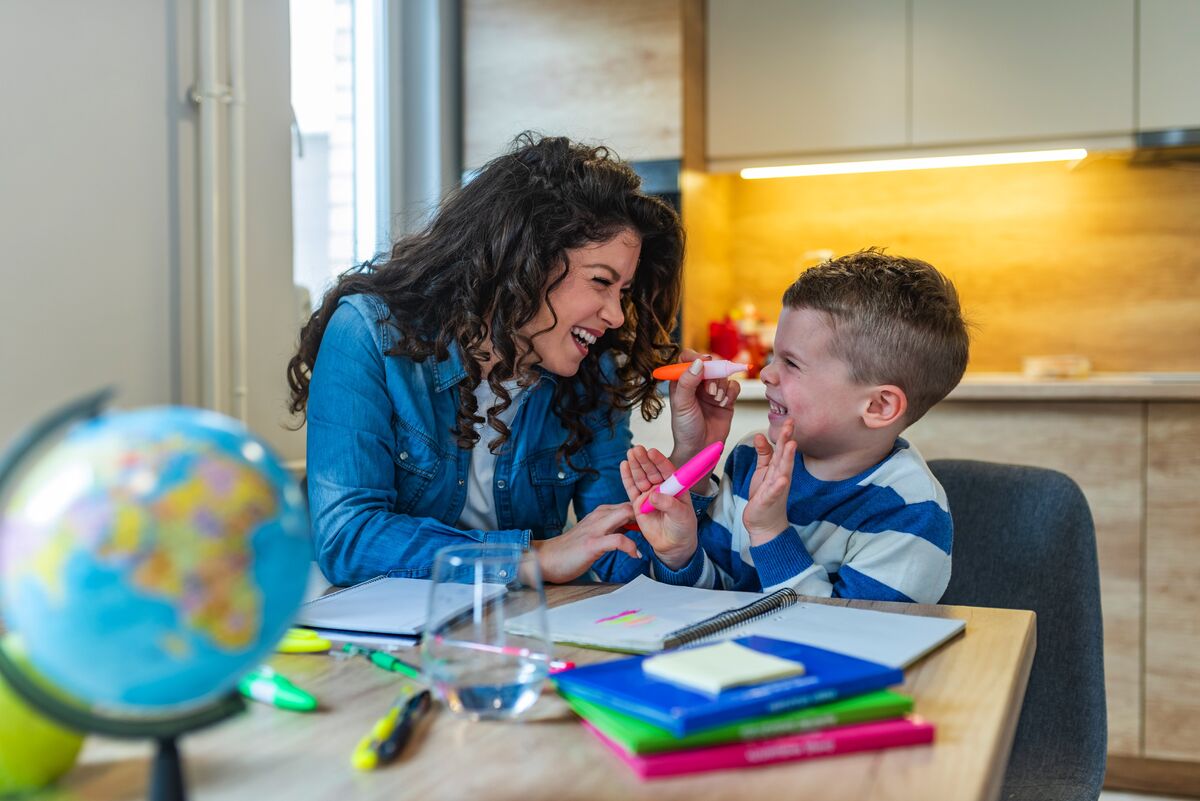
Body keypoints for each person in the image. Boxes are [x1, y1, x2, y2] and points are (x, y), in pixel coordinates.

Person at [287, 134, 739, 588]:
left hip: (523, 632)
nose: (616, 314)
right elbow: (348, 538)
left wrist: (688, 460)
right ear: (524, 262)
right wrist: (533, 558)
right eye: (600, 281)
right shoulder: (367, 334)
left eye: (622, 292)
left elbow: (617, 554)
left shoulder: (591, 370)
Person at [621, 248, 969, 603]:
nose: (768, 373)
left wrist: (770, 532)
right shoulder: (751, 459)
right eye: (773, 357)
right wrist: (679, 555)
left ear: (879, 406)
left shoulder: (910, 511)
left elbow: (851, 638)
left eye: (792, 363)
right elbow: (712, 600)